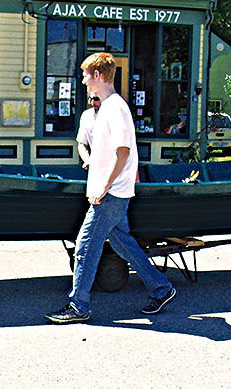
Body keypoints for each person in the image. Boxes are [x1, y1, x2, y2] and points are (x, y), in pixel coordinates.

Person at [44, 53, 176, 324]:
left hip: (110, 194)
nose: (82, 81)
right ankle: (162, 288)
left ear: (98, 76)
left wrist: (103, 187)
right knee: (123, 244)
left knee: (85, 246)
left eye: (85, 75)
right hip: (113, 192)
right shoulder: (106, 108)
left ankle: (78, 305)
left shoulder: (115, 108)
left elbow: (123, 152)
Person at [76, 94, 101, 169]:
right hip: (95, 164)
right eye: (91, 98)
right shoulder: (86, 115)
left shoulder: (114, 114)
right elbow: (82, 143)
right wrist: (87, 160)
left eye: (96, 99)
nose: (93, 102)